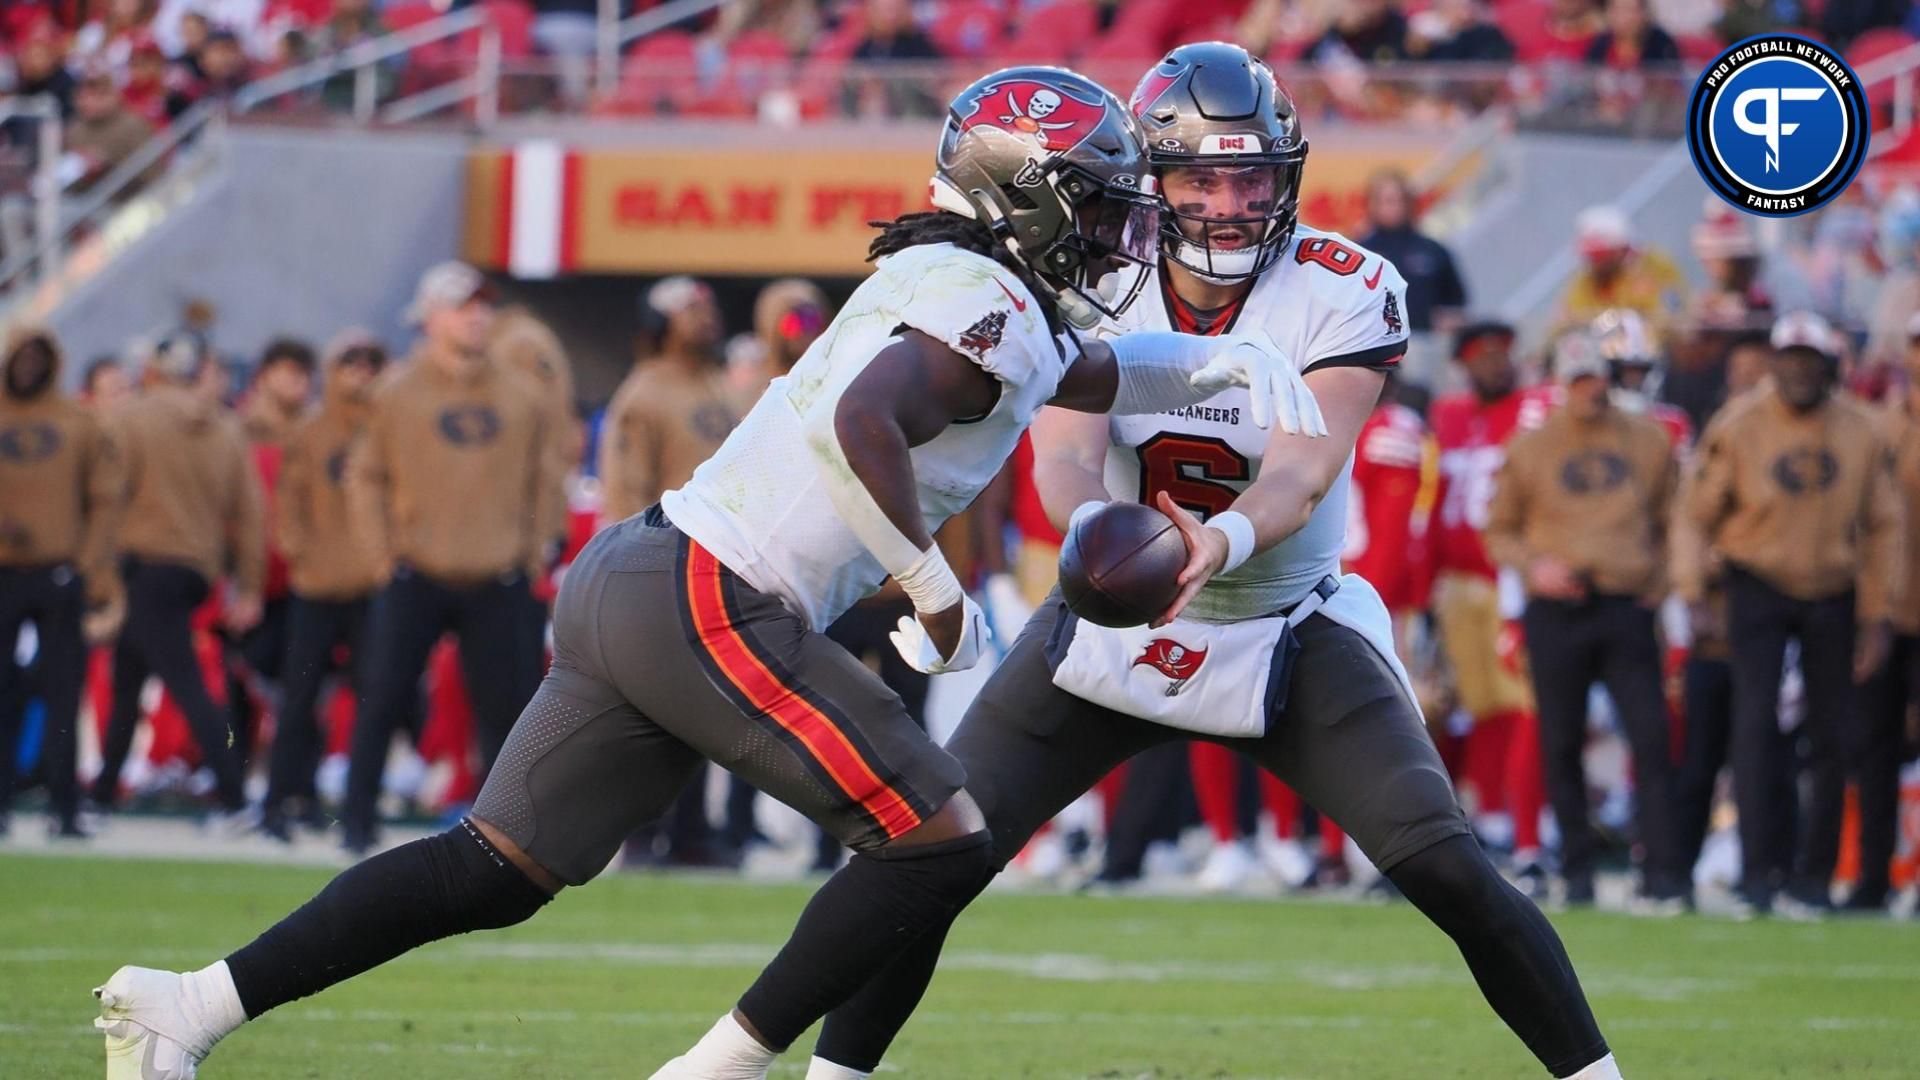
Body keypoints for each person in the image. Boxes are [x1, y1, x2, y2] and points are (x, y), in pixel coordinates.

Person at [91, 65, 1309, 1080]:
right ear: (1020, 198)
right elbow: (865, 426)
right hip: (711, 595)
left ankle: (188, 1005)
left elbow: (1101, 375)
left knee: (491, 868)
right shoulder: (978, 290)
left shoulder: (990, 299)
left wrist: (1245, 372)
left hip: (644, 573)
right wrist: (930, 589)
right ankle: (718, 1072)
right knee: (941, 836)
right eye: (1094, 208)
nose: (1116, 234)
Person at [783, 44, 1623, 1080]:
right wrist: (1101, 541)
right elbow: (1066, 458)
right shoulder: (1091, 272)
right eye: (1198, 177)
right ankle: (827, 1076)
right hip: (1113, 614)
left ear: (1288, 176)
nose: (1228, 203)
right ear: (1152, 179)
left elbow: (1304, 472)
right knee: (935, 855)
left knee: (1446, 866)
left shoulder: (1345, 286)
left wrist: (1210, 544)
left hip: (1283, 615)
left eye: (1251, 175)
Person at [1680, 311, 1903, 917]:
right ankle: (1757, 875)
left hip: (1833, 584)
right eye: (1792, 359)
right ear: (1776, 363)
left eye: (1813, 361)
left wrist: (1878, 615)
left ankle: (1812, 877)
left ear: (1831, 367)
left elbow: (1884, 526)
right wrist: (1693, 589)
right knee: (1753, 727)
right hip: (1757, 580)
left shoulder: (1860, 428)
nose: (1801, 371)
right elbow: (1696, 511)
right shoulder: (1740, 422)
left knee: (1833, 734)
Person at [1484, 331, 1684, 910]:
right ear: (1561, 384)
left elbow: (1676, 521)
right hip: (1557, 609)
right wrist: (1534, 568)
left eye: (1599, 376)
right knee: (1560, 741)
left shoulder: (1649, 441)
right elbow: (1499, 530)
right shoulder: (1531, 447)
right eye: (1580, 379)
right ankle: (1576, 873)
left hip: (1626, 604)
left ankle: (1663, 871)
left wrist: (1658, 583)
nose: (1592, 389)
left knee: (1650, 738)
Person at [88, 331, 264, 825]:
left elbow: (107, 498)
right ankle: (103, 792)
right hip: (193, 569)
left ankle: (234, 797)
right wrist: (248, 583)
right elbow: (250, 514)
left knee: (183, 682)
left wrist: (94, 570)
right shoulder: (227, 428)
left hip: (143, 566)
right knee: (129, 678)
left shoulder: (131, 419)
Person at [1428, 321, 1554, 887]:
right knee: (1479, 705)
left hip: (1511, 580)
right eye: (1485, 357)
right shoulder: (1451, 416)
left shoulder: (1534, 410)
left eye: (1506, 354)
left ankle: (1531, 825)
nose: (1498, 365)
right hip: (1457, 583)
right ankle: (1497, 816)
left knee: (1527, 701)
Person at [259, 333, 387, 841]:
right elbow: (287, 504)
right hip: (316, 587)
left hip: (371, 585)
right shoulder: (311, 431)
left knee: (373, 702)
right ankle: (280, 803)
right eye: (350, 363)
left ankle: (358, 813)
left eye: (371, 363)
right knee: (299, 701)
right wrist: (301, 554)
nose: (361, 373)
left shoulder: (391, 427)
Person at [0, 326, 124, 839]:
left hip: (58, 572)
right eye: (21, 355)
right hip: (3, 572)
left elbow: (105, 497)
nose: (29, 364)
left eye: (38, 355)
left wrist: (90, 565)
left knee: (63, 693)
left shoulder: (79, 422)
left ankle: (64, 808)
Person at [1853, 313, 1920, 914]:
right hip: (1889, 611)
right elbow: (1867, 527)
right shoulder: (1875, 428)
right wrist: (1870, 614)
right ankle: (1872, 877)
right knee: (1873, 746)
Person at [599, 276, 734, 528]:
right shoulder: (644, 392)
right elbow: (625, 490)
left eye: (709, 307)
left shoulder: (720, 384)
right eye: (693, 308)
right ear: (662, 322)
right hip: (670, 548)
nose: (707, 316)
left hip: (726, 547)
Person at [1355, 168, 1469, 334]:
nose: (1396, 207)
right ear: (1372, 204)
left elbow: (1456, 301)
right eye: (1388, 201)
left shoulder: (1432, 250)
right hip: (1374, 342)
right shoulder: (1360, 252)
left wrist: (1449, 319)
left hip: (1423, 340)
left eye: (1401, 200)